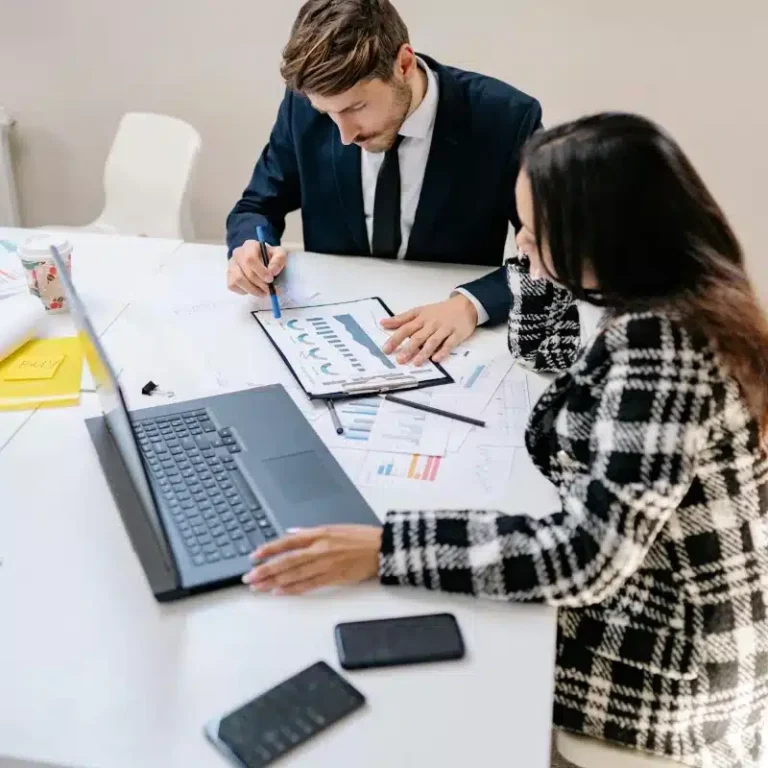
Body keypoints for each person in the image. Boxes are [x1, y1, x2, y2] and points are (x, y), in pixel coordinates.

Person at [241, 113, 768, 767]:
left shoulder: (665, 348)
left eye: (539, 232)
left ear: (603, 234)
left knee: (428, 688)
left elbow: (585, 558)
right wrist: (542, 262)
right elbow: (541, 346)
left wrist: (386, 548)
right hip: (643, 594)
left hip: (670, 658)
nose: (519, 248)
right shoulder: (650, 292)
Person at [226, 0, 542, 365]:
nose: (343, 135)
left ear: (404, 64)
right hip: (330, 328)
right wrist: (249, 247)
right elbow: (257, 205)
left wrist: (471, 306)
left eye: (355, 108)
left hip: (451, 340)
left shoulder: (506, 119)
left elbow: (554, 254)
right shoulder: (304, 108)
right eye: (326, 113)